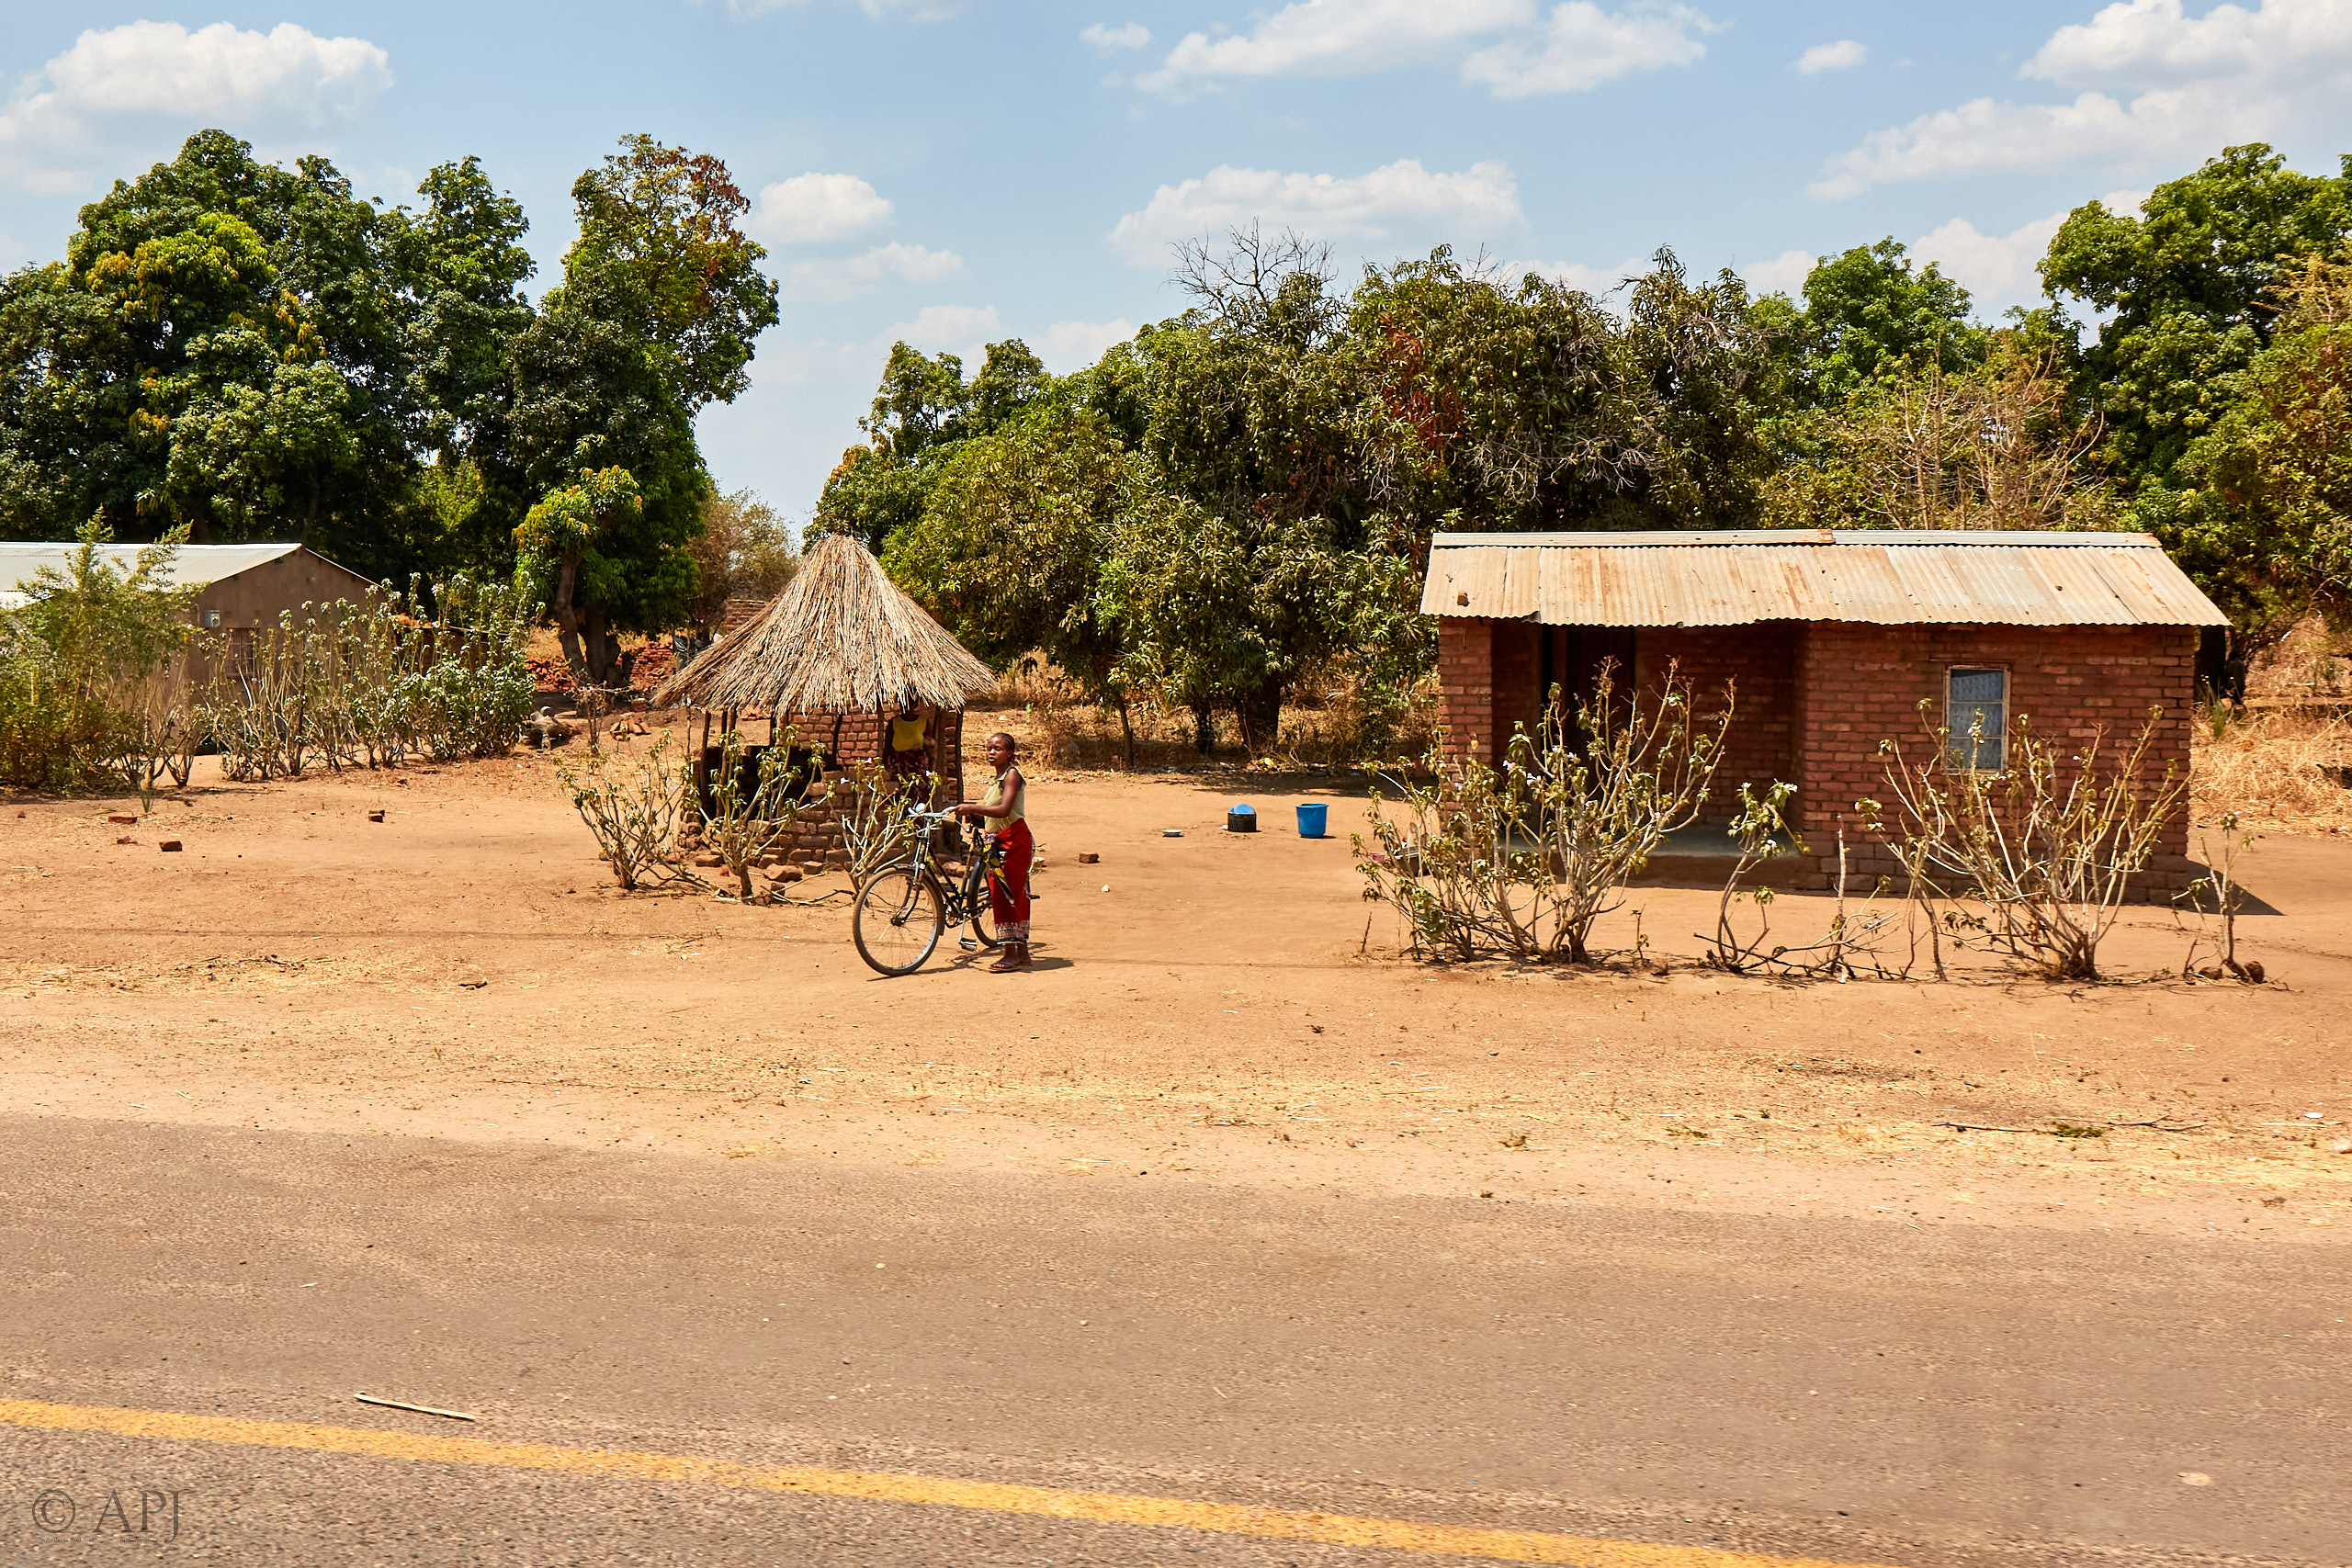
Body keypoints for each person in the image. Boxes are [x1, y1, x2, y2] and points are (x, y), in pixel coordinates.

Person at [955, 731, 1031, 972]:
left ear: (1010, 753)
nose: (991, 752)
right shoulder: (996, 779)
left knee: (1005, 893)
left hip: (1013, 840)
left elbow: (1004, 809)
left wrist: (972, 806)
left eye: (997, 749)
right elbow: (992, 812)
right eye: (988, 748)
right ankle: (1021, 952)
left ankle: (1011, 953)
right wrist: (977, 815)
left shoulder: (1012, 776)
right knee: (1014, 892)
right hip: (998, 840)